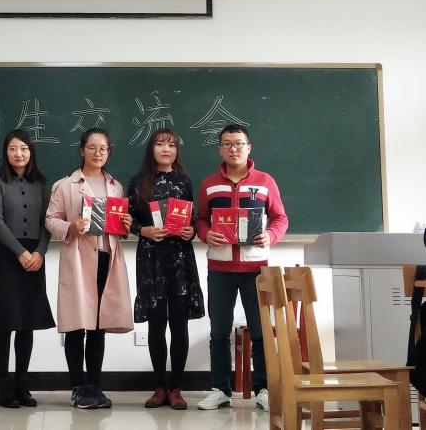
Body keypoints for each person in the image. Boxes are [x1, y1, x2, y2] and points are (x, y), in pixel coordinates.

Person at [195, 124, 288, 412]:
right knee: (219, 331)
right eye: (227, 143)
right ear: (220, 149)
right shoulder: (210, 184)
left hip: (256, 269)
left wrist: (270, 235)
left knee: (260, 332)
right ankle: (219, 390)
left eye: (238, 143)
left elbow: (281, 218)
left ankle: (263, 390)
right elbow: (201, 219)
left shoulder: (265, 181)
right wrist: (205, 233)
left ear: (249, 148)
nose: (233, 148)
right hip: (219, 268)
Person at [45, 128, 133, 409]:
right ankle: (78, 388)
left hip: (107, 257)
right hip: (79, 260)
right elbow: (50, 219)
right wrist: (70, 226)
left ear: (109, 152)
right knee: (76, 324)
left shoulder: (116, 186)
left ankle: (95, 386)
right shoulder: (65, 185)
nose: (98, 153)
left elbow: (118, 224)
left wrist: (126, 224)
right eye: (92, 147)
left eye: (103, 148)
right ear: (82, 150)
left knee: (99, 325)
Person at [127, 128, 205, 410]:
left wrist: (191, 230)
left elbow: (194, 218)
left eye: (171, 145)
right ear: (152, 149)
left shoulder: (185, 180)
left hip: (180, 259)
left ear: (176, 151)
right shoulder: (138, 181)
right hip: (151, 259)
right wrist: (143, 230)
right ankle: (159, 386)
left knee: (179, 325)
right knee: (156, 324)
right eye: (160, 144)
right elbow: (127, 219)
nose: (166, 149)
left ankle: (177, 388)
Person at [0, 130, 55, 408]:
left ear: (31, 152)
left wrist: (40, 252)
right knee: (4, 320)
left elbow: (48, 221)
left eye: (23, 149)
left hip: (35, 256)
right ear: (6, 153)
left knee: (27, 321)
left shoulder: (42, 184)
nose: (19, 154)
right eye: (13, 149)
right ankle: (3, 387)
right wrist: (20, 252)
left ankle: (23, 385)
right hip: (8, 255)